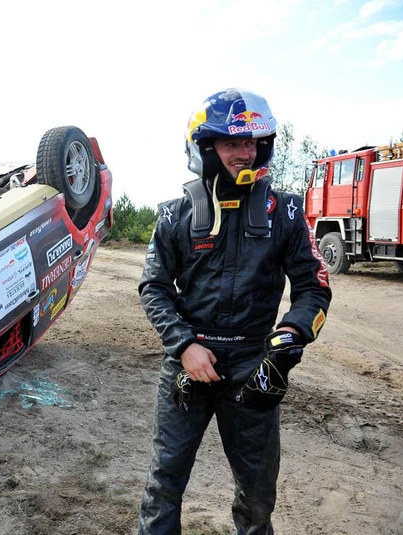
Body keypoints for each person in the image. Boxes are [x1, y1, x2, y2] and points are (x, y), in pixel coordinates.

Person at [137, 88, 332, 534]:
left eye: (252, 143)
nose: (245, 152)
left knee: (258, 496)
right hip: (188, 366)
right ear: (206, 148)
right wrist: (184, 346)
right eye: (232, 143)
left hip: (253, 367)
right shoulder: (174, 214)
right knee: (164, 485)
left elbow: (314, 288)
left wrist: (289, 340)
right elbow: (154, 287)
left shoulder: (286, 212)